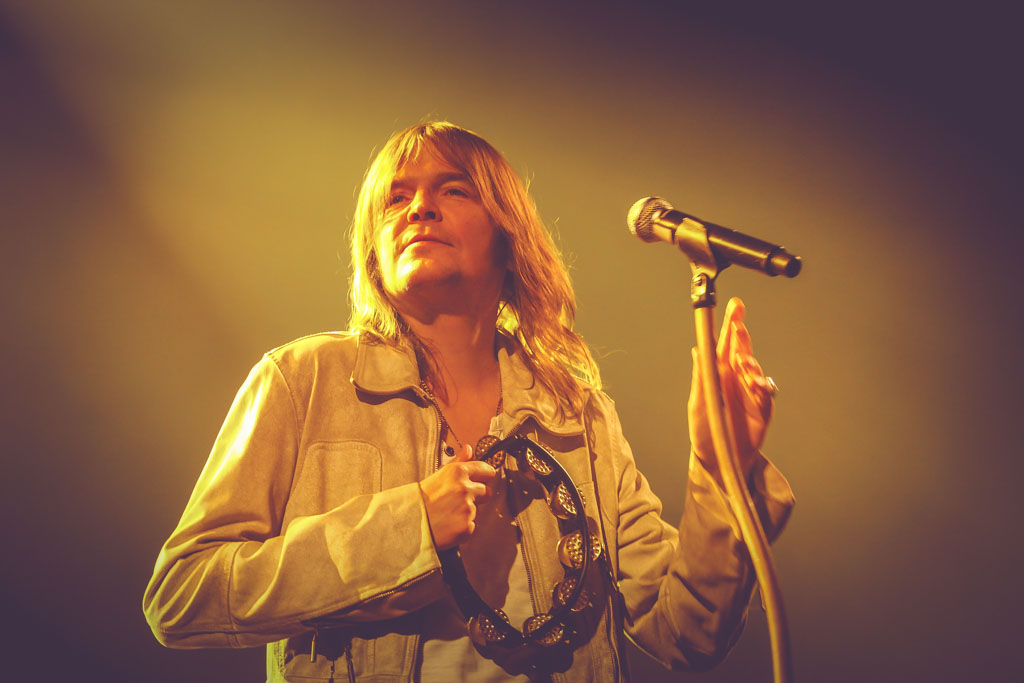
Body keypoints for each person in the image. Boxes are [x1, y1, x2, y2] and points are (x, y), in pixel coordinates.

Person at [143, 121, 794, 682]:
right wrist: (409, 527)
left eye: (453, 190)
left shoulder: (580, 415)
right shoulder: (302, 380)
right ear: (373, 249)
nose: (419, 209)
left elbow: (685, 632)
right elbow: (183, 595)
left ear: (509, 236)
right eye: (396, 198)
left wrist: (722, 468)